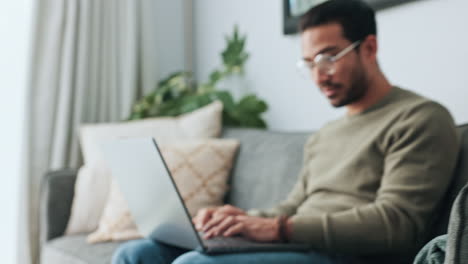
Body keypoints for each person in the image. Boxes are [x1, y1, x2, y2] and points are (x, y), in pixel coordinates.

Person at [111, 0, 460, 263]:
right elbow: (295, 206)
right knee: (137, 254)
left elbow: (396, 225)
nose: (318, 76)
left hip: (347, 255)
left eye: (328, 58)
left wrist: (278, 229)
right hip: (300, 243)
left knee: (195, 263)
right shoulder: (326, 134)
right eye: (309, 64)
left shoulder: (419, 118)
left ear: (369, 48)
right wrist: (239, 219)